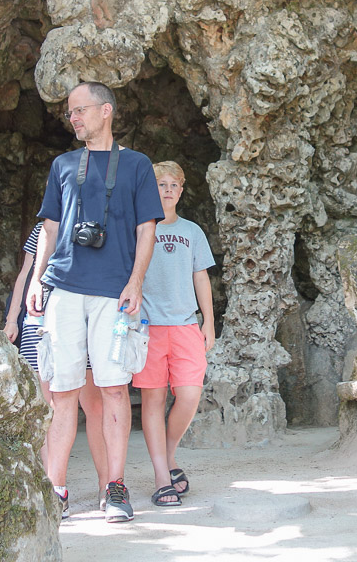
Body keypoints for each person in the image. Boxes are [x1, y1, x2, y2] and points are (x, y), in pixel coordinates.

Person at [26, 82, 163, 522]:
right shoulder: (64, 165)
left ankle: (115, 487)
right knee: (61, 391)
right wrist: (36, 280)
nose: (74, 119)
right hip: (64, 286)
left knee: (113, 388)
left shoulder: (138, 165)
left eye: (80, 111)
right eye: (70, 113)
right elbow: (49, 228)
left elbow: (148, 230)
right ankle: (56, 488)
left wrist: (136, 283)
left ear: (106, 111)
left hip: (113, 293)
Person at [3, 222, 109, 506]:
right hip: (39, 320)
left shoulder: (96, 221)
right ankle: (52, 487)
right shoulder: (42, 229)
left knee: (94, 404)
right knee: (46, 404)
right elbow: (26, 275)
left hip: (84, 319)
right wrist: (13, 319)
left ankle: (107, 486)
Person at [132, 161, 216, 507]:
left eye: (173, 185)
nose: (167, 190)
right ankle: (161, 476)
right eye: (161, 184)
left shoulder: (192, 232)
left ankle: (168, 454)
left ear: (181, 190)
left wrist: (208, 321)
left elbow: (200, 276)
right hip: (148, 326)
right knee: (152, 400)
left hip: (185, 324)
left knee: (189, 394)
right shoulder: (139, 229)